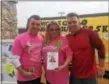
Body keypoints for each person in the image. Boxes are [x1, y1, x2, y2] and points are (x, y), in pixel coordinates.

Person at [66, 13, 105, 84]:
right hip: (74, 76)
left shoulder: (90, 33)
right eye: (69, 23)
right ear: (67, 24)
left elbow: (101, 48)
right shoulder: (66, 38)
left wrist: (101, 67)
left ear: (79, 22)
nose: (72, 24)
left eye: (74, 22)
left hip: (90, 76)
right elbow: (58, 49)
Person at [10, 15, 44, 84]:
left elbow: (40, 55)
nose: (35, 26)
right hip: (24, 79)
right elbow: (14, 58)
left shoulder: (41, 38)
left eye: (38, 24)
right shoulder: (19, 38)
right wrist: (23, 72)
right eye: (33, 24)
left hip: (37, 76)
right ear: (28, 24)